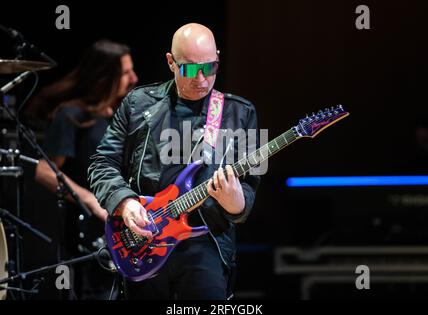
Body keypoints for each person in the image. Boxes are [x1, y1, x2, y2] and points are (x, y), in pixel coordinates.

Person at [88, 23, 260, 300]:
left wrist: (236, 203)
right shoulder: (138, 104)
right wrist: (124, 201)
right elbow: (102, 162)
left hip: (206, 244)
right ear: (171, 62)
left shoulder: (239, 113)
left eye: (211, 67)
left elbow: (249, 190)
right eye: (190, 69)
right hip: (143, 241)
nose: (201, 79)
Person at [30, 39, 138, 299]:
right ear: (105, 75)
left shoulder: (123, 115)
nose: (134, 78)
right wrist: (89, 198)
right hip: (88, 233)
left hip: (127, 232)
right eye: (125, 72)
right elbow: (44, 170)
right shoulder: (72, 115)